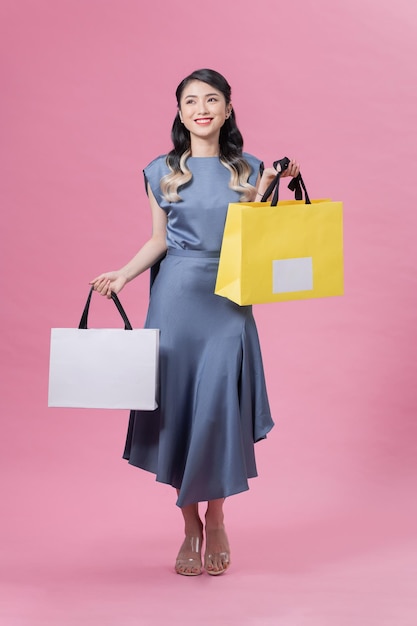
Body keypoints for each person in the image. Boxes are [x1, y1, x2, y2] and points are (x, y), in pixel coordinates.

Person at [91, 68, 300, 576]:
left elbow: (260, 238)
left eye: (212, 100)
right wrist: (124, 273)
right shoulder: (161, 169)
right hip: (175, 301)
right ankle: (189, 526)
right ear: (180, 113)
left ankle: (219, 516)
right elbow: (160, 239)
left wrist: (270, 186)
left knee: (216, 412)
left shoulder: (249, 169)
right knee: (179, 411)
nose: (201, 108)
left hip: (229, 300)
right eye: (190, 101)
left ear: (228, 109)